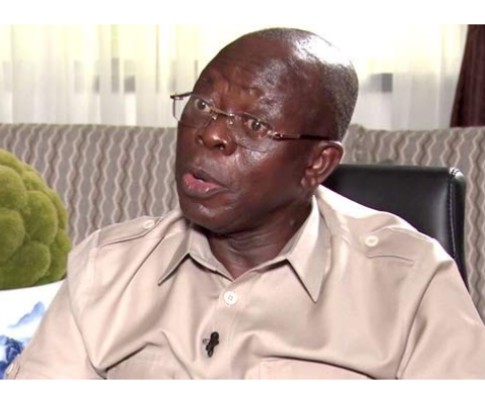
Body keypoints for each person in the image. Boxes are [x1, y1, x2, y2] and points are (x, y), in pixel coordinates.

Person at [5, 27, 485, 379]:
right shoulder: (107, 267)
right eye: (202, 105)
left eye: (255, 124)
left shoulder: (410, 282)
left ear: (317, 164)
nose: (211, 133)